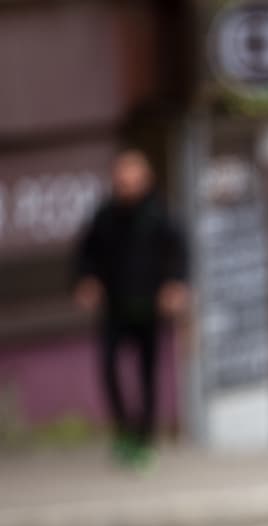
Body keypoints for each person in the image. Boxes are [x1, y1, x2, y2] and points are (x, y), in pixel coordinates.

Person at [73, 149, 188, 464]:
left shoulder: (159, 214)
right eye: (121, 181)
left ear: (145, 180)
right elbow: (86, 253)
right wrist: (87, 279)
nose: (126, 187)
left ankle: (144, 438)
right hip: (115, 306)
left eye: (132, 180)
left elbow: (178, 251)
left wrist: (176, 283)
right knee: (108, 367)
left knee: (147, 373)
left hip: (148, 306)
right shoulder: (105, 215)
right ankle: (124, 430)